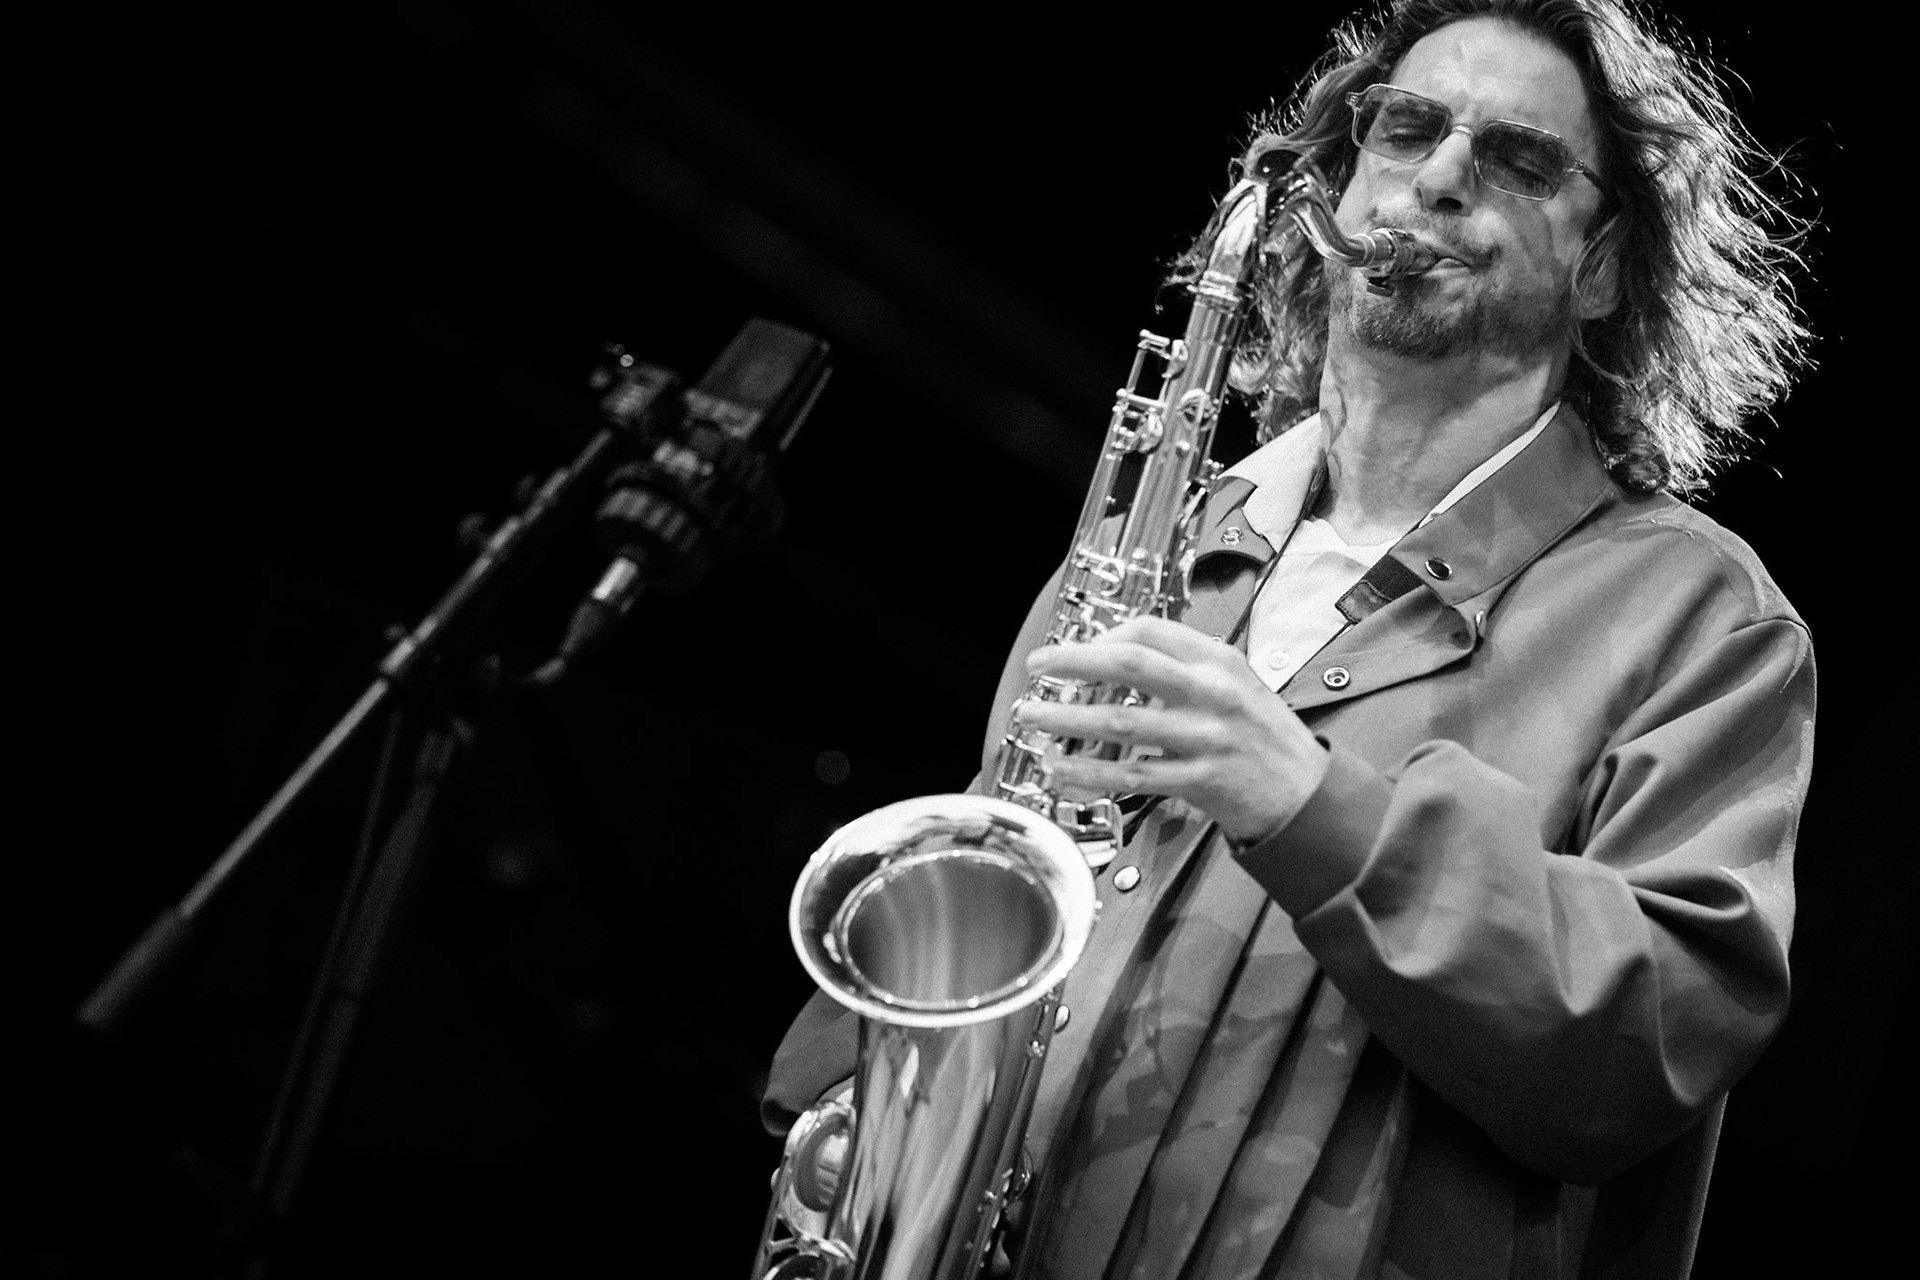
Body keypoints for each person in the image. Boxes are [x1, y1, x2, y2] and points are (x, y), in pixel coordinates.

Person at [764, 1, 1814, 1276]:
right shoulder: (1163, 545)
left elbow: (1644, 1046)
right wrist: (847, 1121)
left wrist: (1306, 799)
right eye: (1406, 129)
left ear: (1600, 268)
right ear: (1335, 187)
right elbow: (975, 895)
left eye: (1518, 160)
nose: (1435, 177)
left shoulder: (1700, 618)